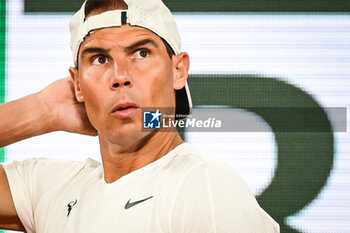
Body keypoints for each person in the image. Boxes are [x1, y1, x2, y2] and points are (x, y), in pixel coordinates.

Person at [0, 0, 280, 232]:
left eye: (141, 53)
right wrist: (41, 111)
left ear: (178, 70)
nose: (120, 76)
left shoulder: (203, 184)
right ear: (77, 84)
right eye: (99, 59)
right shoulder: (53, 189)